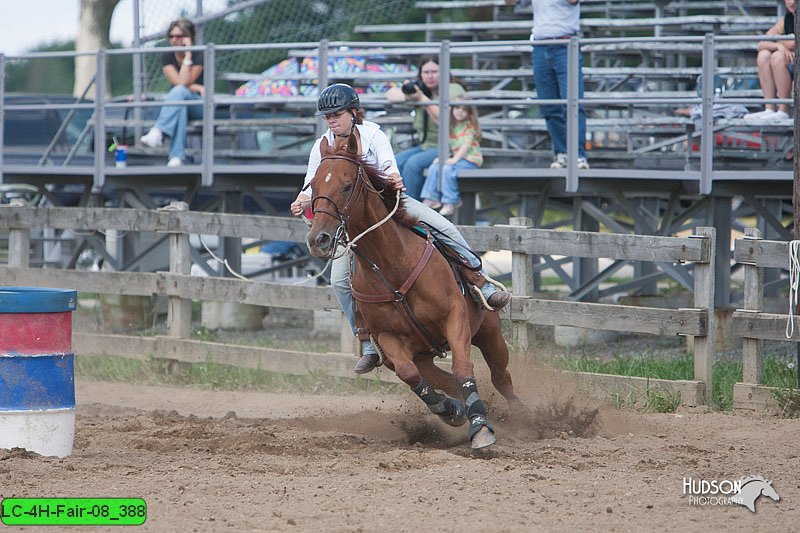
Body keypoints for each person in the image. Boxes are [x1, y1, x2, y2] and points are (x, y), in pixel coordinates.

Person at [291, 84, 512, 375]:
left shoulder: (373, 134)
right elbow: (312, 181)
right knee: (339, 282)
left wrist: (394, 178)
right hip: (355, 223)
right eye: (328, 116)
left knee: (444, 227)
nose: (332, 120)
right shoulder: (322, 145)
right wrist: (301, 198)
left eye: (337, 114)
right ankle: (367, 340)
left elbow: (389, 167)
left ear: (353, 113)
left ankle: (477, 277)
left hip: (391, 204)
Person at [505, 0, 589, 170]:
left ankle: (579, 155)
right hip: (540, 45)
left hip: (566, 45)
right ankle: (562, 153)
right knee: (549, 106)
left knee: (573, 104)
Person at [386, 57, 467, 200]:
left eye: (434, 71)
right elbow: (391, 95)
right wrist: (410, 92)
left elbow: (444, 120)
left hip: (451, 146)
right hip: (426, 146)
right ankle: (394, 206)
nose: (430, 76)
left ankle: (412, 211)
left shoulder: (453, 89)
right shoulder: (423, 89)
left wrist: (421, 99)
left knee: (413, 164)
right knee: (396, 162)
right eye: (426, 72)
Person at [139, 18, 204, 167]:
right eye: (171, 36)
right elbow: (180, 82)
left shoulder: (199, 54)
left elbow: (182, 82)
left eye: (179, 36)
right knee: (179, 104)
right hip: (180, 102)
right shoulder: (167, 56)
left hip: (200, 105)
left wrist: (188, 55)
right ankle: (176, 158)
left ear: (188, 38)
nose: (174, 40)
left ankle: (158, 132)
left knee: (178, 92)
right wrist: (195, 86)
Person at [420, 98, 483, 217]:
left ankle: (450, 201)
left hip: (470, 160)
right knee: (434, 166)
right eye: (457, 108)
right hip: (458, 158)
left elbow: (465, 145)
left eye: (464, 110)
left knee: (447, 169)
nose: (460, 111)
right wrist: (442, 158)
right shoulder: (451, 126)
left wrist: (454, 160)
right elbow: (450, 146)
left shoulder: (469, 126)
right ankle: (431, 198)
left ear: (469, 113)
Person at [744, 0, 795, 123]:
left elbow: (794, 43)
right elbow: (761, 43)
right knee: (764, 55)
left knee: (777, 57)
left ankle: (784, 109)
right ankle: (770, 108)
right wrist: (779, 46)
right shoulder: (786, 20)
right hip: (790, 63)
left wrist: (780, 45)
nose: (791, 2)